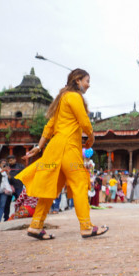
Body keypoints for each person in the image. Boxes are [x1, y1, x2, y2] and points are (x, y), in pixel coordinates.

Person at [16, 68, 108, 240]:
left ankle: (36, 225)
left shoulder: (62, 99)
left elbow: (50, 126)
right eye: (87, 80)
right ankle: (86, 226)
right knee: (80, 182)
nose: (89, 85)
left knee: (52, 188)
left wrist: (40, 146)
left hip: (54, 148)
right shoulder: (74, 96)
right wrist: (91, 137)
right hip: (67, 148)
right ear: (78, 80)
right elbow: (84, 120)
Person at [0, 159, 12, 223]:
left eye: (5, 163)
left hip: (4, 189)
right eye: (2, 163)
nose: (4, 164)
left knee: (2, 205)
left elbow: (9, 179)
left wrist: (8, 173)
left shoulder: (6, 171)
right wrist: (2, 171)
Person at [6, 155, 25, 220]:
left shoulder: (20, 166)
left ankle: (20, 215)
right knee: (7, 203)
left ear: (15, 160)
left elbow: (24, 174)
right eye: (8, 161)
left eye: (11, 160)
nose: (10, 162)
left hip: (18, 186)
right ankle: (6, 217)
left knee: (20, 202)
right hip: (9, 187)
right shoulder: (6, 167)